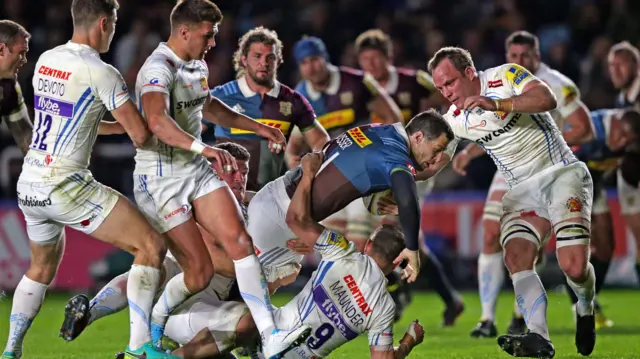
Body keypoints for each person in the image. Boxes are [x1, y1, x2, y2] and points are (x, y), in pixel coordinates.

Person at [130, 1, 310, 358]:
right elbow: (156, 121)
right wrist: (202, 148)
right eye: (207, 34)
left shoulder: (196, 65)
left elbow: (207, 104)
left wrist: (258, 127)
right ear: (184, 32)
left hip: (194, 172)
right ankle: (153, 326)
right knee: (197, 272)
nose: (213, 42)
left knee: (240, 241)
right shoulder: (157, 68)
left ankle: (270, 333)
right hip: (161, 178)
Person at [2, 1, 179, 358]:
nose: (114, 31)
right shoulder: (102, 72)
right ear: (104, 23)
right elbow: (142, 137)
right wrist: (160, 130)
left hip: (30, 183)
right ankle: (138, 347)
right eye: (113, 24)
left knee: (41, 266)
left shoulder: (47, 61)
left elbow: (79, 121)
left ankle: (11, 350)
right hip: (66, 184)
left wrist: (125, 128)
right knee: (151, 246)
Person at [141, 152, 425, 359]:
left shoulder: (343, 252)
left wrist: (308, 174)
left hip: (268, 339)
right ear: (398, 262)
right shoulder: (384, 309)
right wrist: (409, 342)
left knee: (241, 326)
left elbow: (296, 221)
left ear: (368, 245)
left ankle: (166, 354)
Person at [428, 46, 596, 357]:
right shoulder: (455, 119)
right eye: (440, 87)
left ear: (469, 72)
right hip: (521, 192)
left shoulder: (505, 76)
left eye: (450, 83)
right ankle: (538, 337)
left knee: (573, 267)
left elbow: (547, 98)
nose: (446, 93)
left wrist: (497, 104)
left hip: (561, 174)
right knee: (517, 256)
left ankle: (585, 308)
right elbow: (431, 158)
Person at [60, 143, 293, 347]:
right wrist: (267, 271)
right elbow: (218, 261)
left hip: (205, 304)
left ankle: (150, 345)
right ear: (213, 174)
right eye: (232, 172)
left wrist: (295, 241)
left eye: (244, 172)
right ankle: (91, 313)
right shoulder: (203, 205)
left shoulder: (251, 205)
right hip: (184, 295)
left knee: (246, 321)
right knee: (157, 271)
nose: (240, 179)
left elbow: (279, 211)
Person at [354, 28, 463, 326]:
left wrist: (444, 143)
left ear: (388, 57)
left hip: (419, 162)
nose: (370, 65)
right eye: (365, 59)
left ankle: (396, 291)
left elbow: (446, 102)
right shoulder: (361, 88)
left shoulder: (413, 82)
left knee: (396, 228)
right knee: (406, 235)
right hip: (385, 164)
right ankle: (448, 297)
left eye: (375, 58)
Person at [290, 36, 403, 247]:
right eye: (304, 63)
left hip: (364, 172)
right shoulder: (300, 97)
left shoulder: (358, 82)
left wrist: (385, 158)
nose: (311, 67)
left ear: (325, 58)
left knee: (361, 242)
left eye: (314, 59)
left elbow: (393, 118)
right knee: (334, 247)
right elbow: (292, 149)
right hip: (329, 178)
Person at [209, 26, 329, 191]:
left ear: (278, 61)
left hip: (275, 197)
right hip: (229, 194)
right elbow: (190, 128)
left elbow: (320, 140)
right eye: (257, 56)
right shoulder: (220, 96)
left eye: (270, 57)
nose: (263, 63)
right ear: (244, 59)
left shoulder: (293, 100)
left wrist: (309, 163)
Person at [608, 41, 640, 282]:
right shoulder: (622, 99)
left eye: (621, 64)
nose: (615, 70)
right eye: (611, 65)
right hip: (631, 169)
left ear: (635, 65)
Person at [0, 20, 32, 155]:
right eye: (21, 52)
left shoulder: (9, 90)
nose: (24, 60)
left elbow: (29, 143)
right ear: (1, 50)